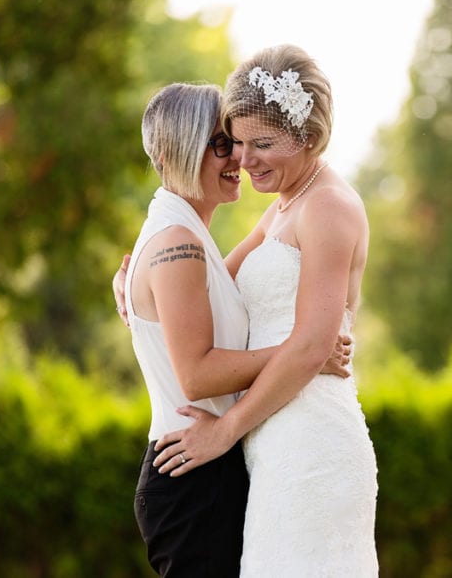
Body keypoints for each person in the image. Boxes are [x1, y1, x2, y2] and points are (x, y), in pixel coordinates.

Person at [150, 45, 379, 576]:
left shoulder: (328, 207)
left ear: (310, 138)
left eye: (263, 144)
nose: (244, 160)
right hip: (275, 444)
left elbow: (312, 346)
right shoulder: (284, 208)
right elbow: (211, 283)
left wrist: (224, 431)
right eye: (236, 142)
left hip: (313, 446)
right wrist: (138, 276)